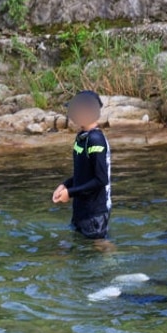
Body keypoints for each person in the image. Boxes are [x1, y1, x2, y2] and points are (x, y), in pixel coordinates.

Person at [52, 90, 112, 240]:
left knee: (99, 246)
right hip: (81, 208)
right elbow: (83, 173)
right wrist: (65, 185)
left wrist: (70, 193)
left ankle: (114, 262)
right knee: (80, 247)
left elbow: (100, 180)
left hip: (95, 212)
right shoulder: (82, 137)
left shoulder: (95, 140)